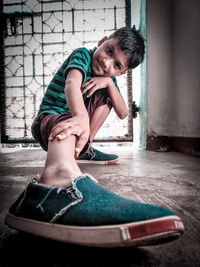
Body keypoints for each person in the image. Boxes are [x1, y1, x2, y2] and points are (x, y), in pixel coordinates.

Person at [5, 26, 184, 247]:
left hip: (78, 132)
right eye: (109, 51)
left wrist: (109, 83)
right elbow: (72, 84)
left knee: (107, 94)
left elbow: (123, 112)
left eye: (117, 65)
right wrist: (80, 117)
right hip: (50, 120)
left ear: (121, 72)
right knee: (76, 110)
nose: (107, 63)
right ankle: (57, 175)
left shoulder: (110, 78)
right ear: (102, 41)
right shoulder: (83, 54)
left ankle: (83, 147)